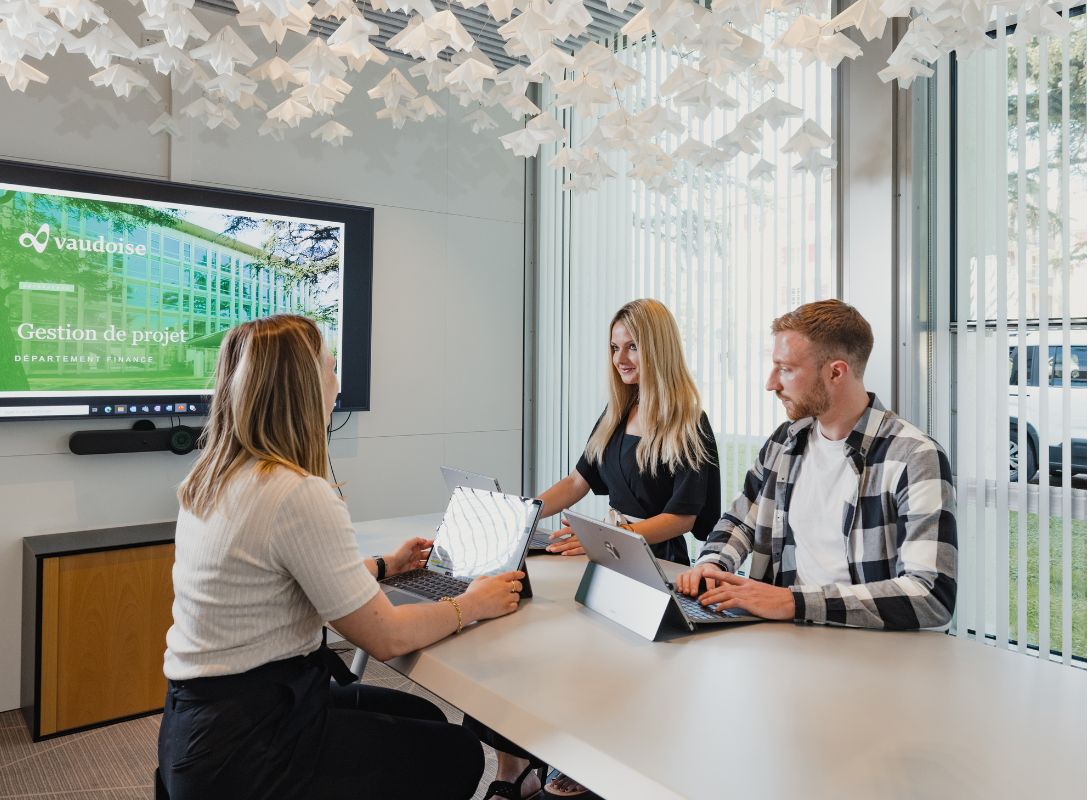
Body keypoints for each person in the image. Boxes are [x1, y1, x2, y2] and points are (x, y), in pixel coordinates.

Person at [157, 315, 526, 800]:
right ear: (305, 388)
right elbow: (386, 637)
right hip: (248, 747)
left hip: (199, 724)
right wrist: (472, 603)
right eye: (331, 368)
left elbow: (281, 579)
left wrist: (382, 567)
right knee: (457, 754)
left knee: (427, 717)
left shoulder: (214, 475)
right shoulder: (294, 493)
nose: (338, 384)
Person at [478, 298, 722, 799]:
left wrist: (612, 539)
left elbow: (685, 517)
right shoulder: (618, 413)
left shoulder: (687, 421)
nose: (621, 358)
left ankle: (586, 764)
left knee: (603, 665)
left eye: (632, 346)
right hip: (609, 554)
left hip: (655, 562)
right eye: (614, 348)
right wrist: (521, 512)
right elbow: (577, 481)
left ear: (658, 348)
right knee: (534, 639)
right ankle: (525, 764)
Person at [676, 299, 958, 631]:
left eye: (786, 369)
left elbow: (930, 595)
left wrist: (790, 602)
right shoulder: (786, 440)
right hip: (787, 638)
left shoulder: (914, 457)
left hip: (874, 652)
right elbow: (741, 520)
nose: (771, 383)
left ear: (836, 372)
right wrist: (711, 565)